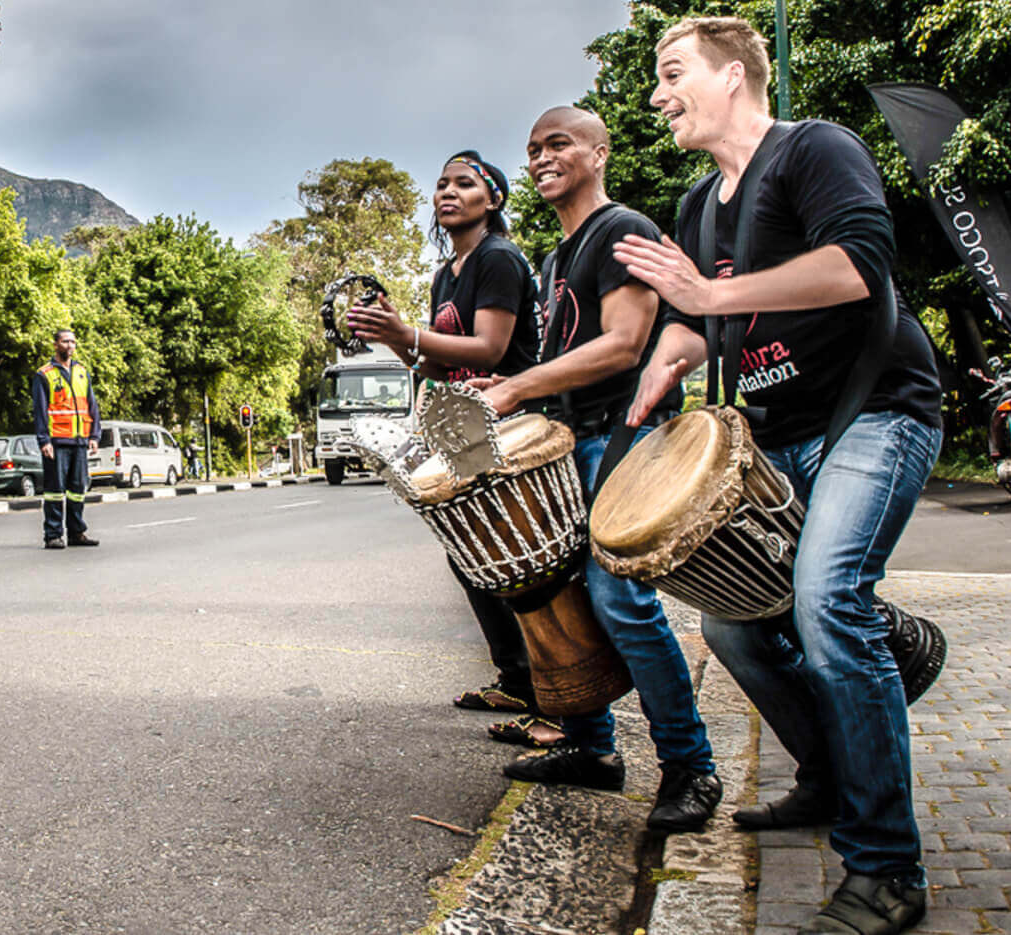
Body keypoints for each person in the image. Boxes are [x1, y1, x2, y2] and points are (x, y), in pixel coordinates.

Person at [615, 17, 942, 934]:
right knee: (738, 627)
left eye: (671, 73)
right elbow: (701, 320)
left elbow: (856, 268)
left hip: (874, 411)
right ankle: (831, 775)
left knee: (827, 601)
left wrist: (710, 296)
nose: (656, 93)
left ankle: (886, 870)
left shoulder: (814, 149)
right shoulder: (695, 206)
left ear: (732, 75)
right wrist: (669, 353)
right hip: (776, 438)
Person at [464, 107, 722, 833]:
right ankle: (590, 746)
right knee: (556, 591)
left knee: (620, 601)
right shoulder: (555, 257)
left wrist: (519, 384)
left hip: (627, 435)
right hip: (575, 439)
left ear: (599, 152)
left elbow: (625, 342)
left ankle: (691, 765)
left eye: (559, 144)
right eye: (533, 148)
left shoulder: (622, 230)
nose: (543, 157)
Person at [345, 150, 560, 748]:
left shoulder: (497, 258)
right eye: (441, 183)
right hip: (464, 434)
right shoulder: (448, 273)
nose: (448, 192)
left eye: (465, 183)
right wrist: (395, 335)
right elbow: (434, 363)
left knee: (517, 565)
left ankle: (555, 698)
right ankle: (516, 679)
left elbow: (491, 350)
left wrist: (408, 332)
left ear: (492, 199)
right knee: (471, 557)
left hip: (512, 428)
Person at [31, 328, 102, 549]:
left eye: (72, 341)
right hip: (57, 442)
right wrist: (44, 441)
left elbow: (92, 406)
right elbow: (40, 410)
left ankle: (76, 532)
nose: (69, 345)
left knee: (77, 490)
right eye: (64, 341)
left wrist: (94, 435)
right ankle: (53, 534)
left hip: (80, 441)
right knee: (54, 492)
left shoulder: (82, 372)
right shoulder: (44, 374)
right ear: (55, 345)